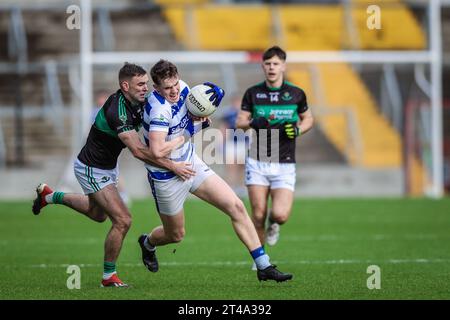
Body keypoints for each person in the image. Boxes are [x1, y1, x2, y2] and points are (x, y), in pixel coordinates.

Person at [137, 59, 293, 282]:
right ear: (157, 87)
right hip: (166, 176)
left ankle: (263, 265)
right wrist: (190, 131)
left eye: (175, 85)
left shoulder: (184, 88)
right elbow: (158, 149)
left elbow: (195, 114)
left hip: (191, 164)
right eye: (166, 88)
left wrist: (206, 108)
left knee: (236, 206)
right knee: (175, 235)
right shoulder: (159, 109)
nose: (173, 91)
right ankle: (147, 242)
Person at [32, 63, 184, 287]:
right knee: (123, 220)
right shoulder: (117, 111)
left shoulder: (140, 100)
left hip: (108, 167)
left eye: (146, 83)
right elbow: (138, 151)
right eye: (140, 84)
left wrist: (193, 117)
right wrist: (172, 165)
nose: (146, 88)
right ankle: (108, 277)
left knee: (97, 214)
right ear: (125, 85)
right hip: (91, 168)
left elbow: (167, 104)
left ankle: (49, 196)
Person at [235, 46, 314, 267]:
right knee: (258, 214)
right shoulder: (253, 93)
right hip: (258, 160)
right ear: (262, 66)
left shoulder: (296, 93)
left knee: (280, 215)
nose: (271, 67)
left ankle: (275, 223)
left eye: (276, 63)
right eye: (268, 63)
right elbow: (239, 122)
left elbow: (308, 119)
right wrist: (252, 122)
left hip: (285, 163)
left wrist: (298, 130)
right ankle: (260, 259)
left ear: (283, 66)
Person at [218, 94, 247, 197]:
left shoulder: (246, 114)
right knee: (231, 166)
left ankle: (241, 188)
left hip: (244, 143)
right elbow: (224, 128)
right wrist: (221, 143)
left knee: (242, 167)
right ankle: (230, 187)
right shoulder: (228, 114)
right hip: (231, 144)